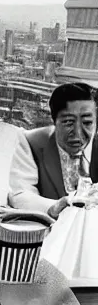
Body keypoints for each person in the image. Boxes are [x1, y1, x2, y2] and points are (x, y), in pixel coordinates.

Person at [8, 82, 98, 219]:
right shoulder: (32, 142)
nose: (78, 133)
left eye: (87, 123)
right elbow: (20, 194)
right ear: (54, 120)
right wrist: (55, 206)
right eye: (68, 122)